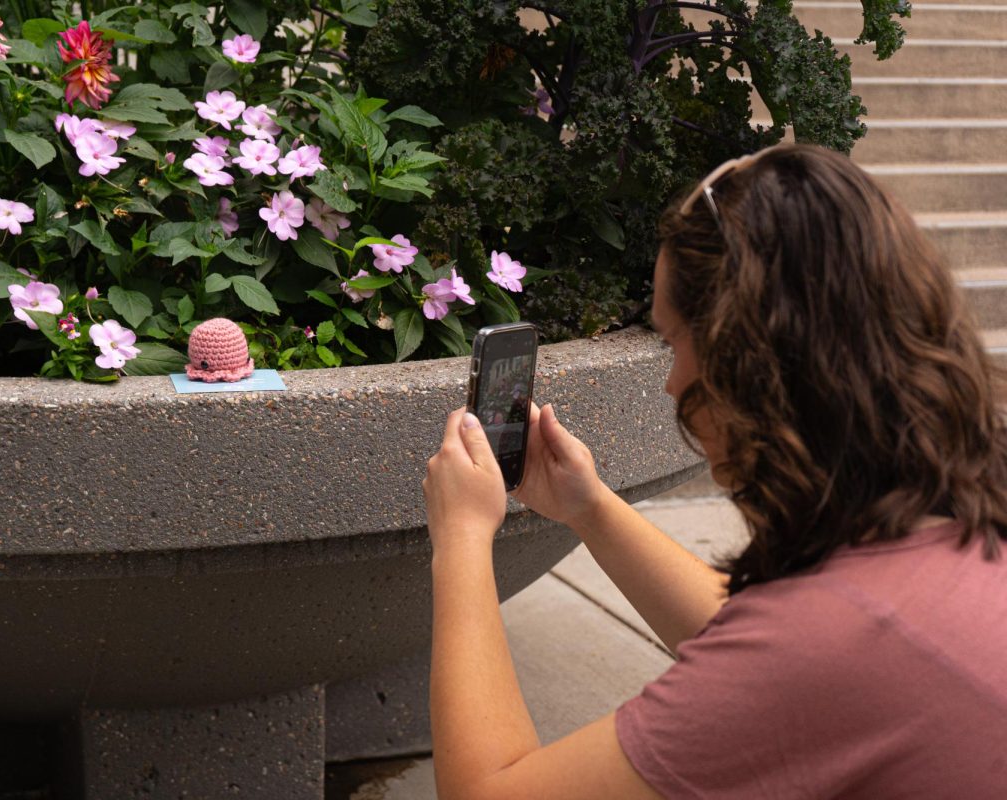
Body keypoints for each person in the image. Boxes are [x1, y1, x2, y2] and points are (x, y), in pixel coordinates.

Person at [422, 143, 1007, 799]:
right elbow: (760, 646)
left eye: (675, 343)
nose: (671, 384)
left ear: (746, 360)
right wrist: (586, 506)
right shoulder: (954, 521)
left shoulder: (825, 646)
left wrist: (463, 539)